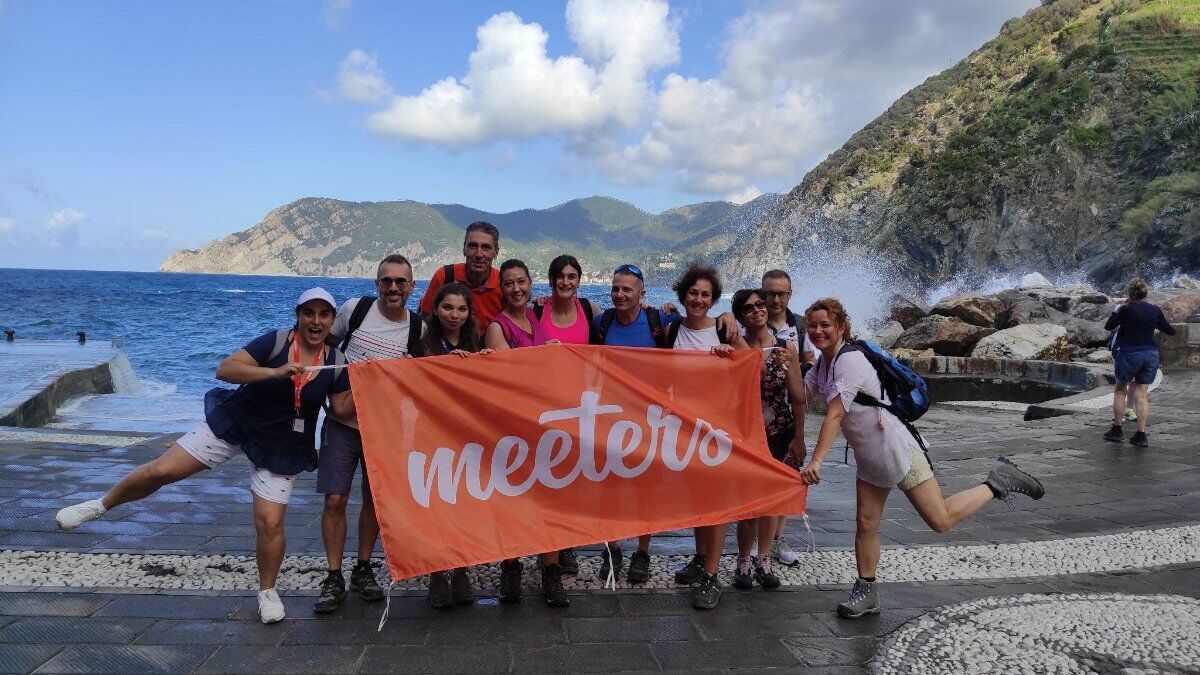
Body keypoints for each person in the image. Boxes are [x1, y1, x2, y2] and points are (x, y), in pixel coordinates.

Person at [55, 289, 355, 624]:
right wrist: (274, 372)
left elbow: (341, 409)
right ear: (298, 315)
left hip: (282, 444)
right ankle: (99, 505)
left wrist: (371, 385)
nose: (315, 321)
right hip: (236, 421)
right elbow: (225, 369)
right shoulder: (276, 341)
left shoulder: (337, 362)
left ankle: (267, 592)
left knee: (270, 522)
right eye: (308, 313)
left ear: (332, 320)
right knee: (161, 471)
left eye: (324, 314)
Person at [798, 297, 1046, 619]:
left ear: (841, 327)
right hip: (871, 457)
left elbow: (834, 415)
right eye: (812, 326)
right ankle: (866, 591)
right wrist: (781, 361)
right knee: (866, 524)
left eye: (825, 325)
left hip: (898, 448)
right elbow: (799, 395)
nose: (818, 331)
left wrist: (816, 461)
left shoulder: (850, 361)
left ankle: (998, 481)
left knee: (940, 520)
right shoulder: (823, 365)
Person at [313, 255, 423, 615]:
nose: (393, 287)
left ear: (411, 286)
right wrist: (324, 393)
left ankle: (363, 568)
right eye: (386, 281)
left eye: (400, 281)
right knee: (335, 499)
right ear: (377, 284)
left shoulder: (417, 329)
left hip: (384, 430)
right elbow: (322, 347)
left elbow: (430, 377)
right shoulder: (355, 310)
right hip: (341, 425)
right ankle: (333, 576)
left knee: (374, 502)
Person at [483, 259, 569, 608]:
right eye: (509, 283)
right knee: (513, 500)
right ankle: (511, 568)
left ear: (531, 284)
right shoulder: (497, 328)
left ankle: (551, 571)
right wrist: (544, 357)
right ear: (501, 289)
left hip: (544, 425)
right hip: (513, 429)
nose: (516, 288)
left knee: (549, 501)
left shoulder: (536, 315)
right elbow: (510, 380)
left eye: (521, 281)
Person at [666, 263, 748, 610]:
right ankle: (701, 559)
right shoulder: (671, 330)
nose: (698, 300)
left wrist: (731, 357)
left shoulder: (723, 329)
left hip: (718, 429)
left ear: (714, 300)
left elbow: (753, 364)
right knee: (697, 499)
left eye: (705, 295)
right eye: (693, 293)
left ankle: (712, 576)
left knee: (716, 502)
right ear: (683, 295)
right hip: (685, 429)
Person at [419, 282, 495, 608]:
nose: (455, 315)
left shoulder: (475, 341)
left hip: (467, 436)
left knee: (465, 505)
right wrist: (443, 364)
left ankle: (462, 570)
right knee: (436, 505)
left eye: (462, 309)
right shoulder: (424, 343)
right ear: (436, 309)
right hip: (432, 435)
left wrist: (487, 363)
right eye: (448, 307)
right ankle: (437, 574)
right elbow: (416, 383)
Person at [731, 288, 806, 591]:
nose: (758, 310)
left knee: (772, 501)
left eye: (760, 305)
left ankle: (764, 560)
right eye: (749, 308)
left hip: (781, 432)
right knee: (749, 503)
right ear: (740, 316)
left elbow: (798, 397)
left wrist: (799, 437)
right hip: (747, 436)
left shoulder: (786, 348)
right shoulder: (734, 348)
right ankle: (743, 560)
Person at [760, 269, 815, 567]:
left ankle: (777, 540)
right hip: (752, 419)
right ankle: (755, 546)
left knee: (785, 478)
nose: (776, 299)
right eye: (770, 293)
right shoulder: (749, 321)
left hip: (786, 416)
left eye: (781, 293)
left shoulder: (801, 326)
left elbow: (810, 363)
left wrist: (792, 365)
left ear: (790, 295)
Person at [1103, 277, 1176, 447]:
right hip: (1150, 354)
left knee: (1120, 390)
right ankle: (1141, 435)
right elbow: (1170, 331)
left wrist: (1117, 309)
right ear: (1145, 293)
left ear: (1130, 293)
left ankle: (1117, 430)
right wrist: (1151, 328)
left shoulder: (1125, 309)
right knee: (1142, 394)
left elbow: (1109, 326)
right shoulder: (1154, 309)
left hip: (1129, 353)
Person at [418, 221, 504, 333]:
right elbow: (426, 319)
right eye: (473, 246)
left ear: (496, 252)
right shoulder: (445, 276)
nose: (479, 254)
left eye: (486, 248)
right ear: (464, 249)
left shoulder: (504, 284)